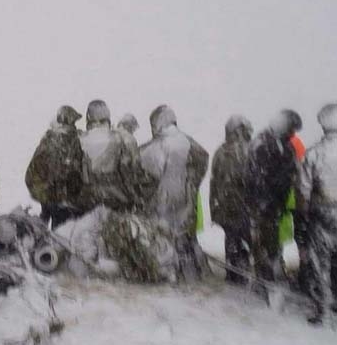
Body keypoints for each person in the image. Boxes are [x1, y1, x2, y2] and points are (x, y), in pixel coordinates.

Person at [139, 105, 209, 281]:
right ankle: (192, 277)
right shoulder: (192, 144)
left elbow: (146, 178)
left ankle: (168, 277)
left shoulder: (152, 147)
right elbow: (201, 163)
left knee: (163, 244)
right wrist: (191, 185)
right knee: (185, 241)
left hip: (162, 204)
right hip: (186, 203)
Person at [245, 109, 301, 285]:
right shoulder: (261, 144)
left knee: (272, 241)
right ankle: (264, 280)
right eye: (291, 129)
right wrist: (264, 202)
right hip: (262, 203)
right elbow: (255, 178)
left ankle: (269, 275)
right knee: (262, 242)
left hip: (276, 203)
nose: (292, 134)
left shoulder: (286, 145)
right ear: (282, 126)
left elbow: (291, 170)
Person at [296, 103, 337, 324]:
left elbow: (303, 191)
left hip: (322, 216)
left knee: (321, 263)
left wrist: (303, 218)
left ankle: (323, 311)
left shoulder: (313, 154)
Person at [25, 105, 86, 228]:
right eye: (72, 123)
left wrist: (41, 192)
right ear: (66, 124)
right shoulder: (72, 141)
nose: (74, 126)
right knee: (60, 231)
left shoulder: (47, 139)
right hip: (61, 199)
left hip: (47, 194)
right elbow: (74, 172)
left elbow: (32, 171)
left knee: (50, 224)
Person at [210, 115, 253, 284]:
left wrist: (213, 207)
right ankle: (240, 273)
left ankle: (232, 273)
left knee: (231, 239)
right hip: (243, 205)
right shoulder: (249, 149)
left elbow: (214, 182)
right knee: (243, 239)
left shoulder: (220, 151)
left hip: (226, 205)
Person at [79, 100, 138, 213]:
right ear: (107, 117)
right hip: (114, 197)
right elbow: (127, 171)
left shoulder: (80, 139)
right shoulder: (119, 138)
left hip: (87, 199)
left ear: (88, 118)